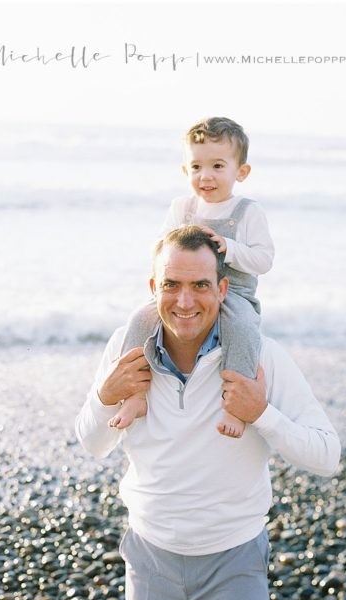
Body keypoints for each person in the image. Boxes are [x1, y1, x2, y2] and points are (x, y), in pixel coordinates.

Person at [74, 226, 340, 600]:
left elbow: (328, 456)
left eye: (200, 285)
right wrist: (105, 396)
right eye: (172, 285)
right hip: (151, 557)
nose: (184, 301)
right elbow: (93, 443)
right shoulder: (127, 349)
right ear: (153, 287)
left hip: (234, 559)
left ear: (222, 288)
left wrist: (262, 413)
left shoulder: (261, 358)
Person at [109, 117, 274, 438]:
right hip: (185, 289)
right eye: (196, 167)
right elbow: (161, 249)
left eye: (217, 166)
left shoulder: (247, 212)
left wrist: (230, 248)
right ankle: (135, 394)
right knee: (140, 318)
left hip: (234, 292)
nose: (206, 176)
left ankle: (236, 406)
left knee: (242, 329)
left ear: (240, 172)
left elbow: (264, 260)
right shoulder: (182, 207)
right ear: (186, 171)